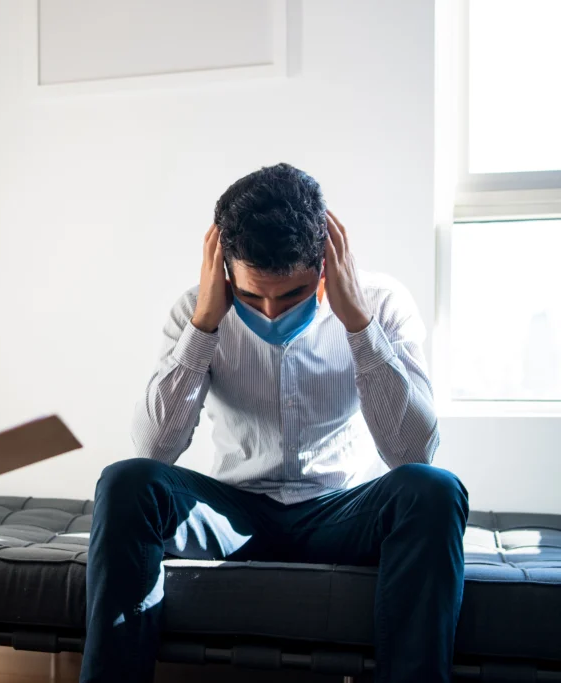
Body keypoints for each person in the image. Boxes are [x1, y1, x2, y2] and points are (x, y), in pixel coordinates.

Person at [81, 164, 468, 683]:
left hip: (341, 512)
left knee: (434, 490)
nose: (269, 311)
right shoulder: (196, 311)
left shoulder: (380, 304)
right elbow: (152, 450)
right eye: (251, 296)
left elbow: (414, 453)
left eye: (291, 295)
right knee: (126, 481)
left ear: (326, 265)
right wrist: (205, 327)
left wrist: (359, 326)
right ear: (224, 270)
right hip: (237, 513)